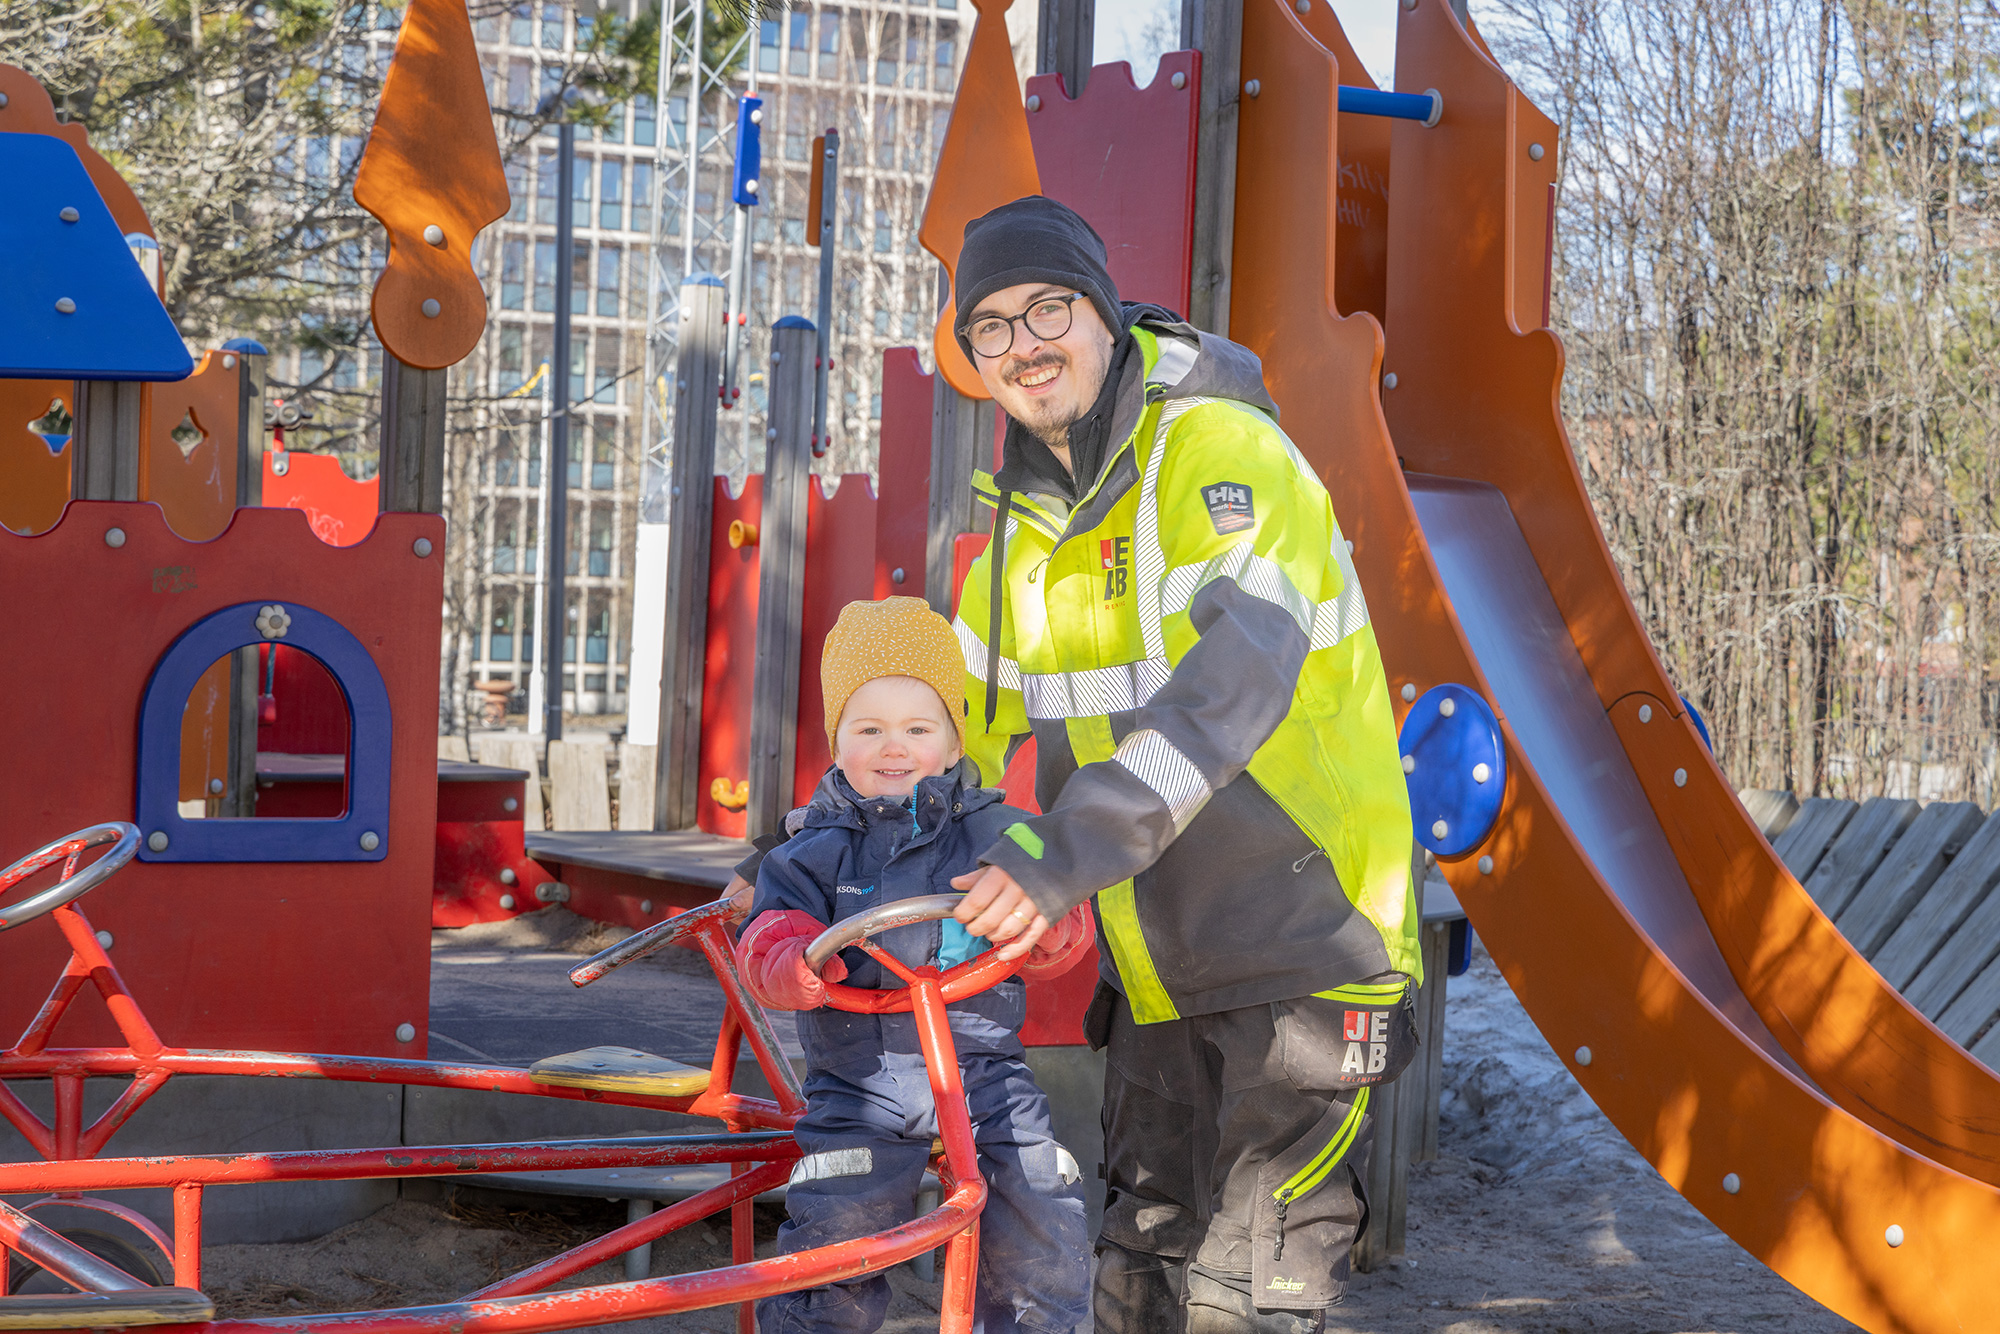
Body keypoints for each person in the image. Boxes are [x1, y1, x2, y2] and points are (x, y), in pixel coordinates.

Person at [943, 196, 1422, 1334]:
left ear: (1103, 314)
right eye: (990, 328)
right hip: (1153, 966)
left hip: (1306, 945)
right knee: (1138, 1262)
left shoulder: (1222, 456)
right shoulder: (1016, 534)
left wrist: (1062, 852)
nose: (1023, 344)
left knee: (1244, 1292)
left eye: (1046, 307)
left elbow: (1231, 689)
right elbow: (927, 730)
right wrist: (800, 861)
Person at [737, 595, 1096, 1334]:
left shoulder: (1002, 833)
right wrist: (789, 963)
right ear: (837, 743)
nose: (893, 746)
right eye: (868, 729)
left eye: (917, 728)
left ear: (955, 744)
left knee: (1040, 1196)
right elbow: (767, 935)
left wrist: (1051, 925)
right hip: (858, 1080)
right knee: (836, 1214)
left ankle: (1037, 1322)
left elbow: (1058, 920)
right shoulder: (809, 850)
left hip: (983, 1069)